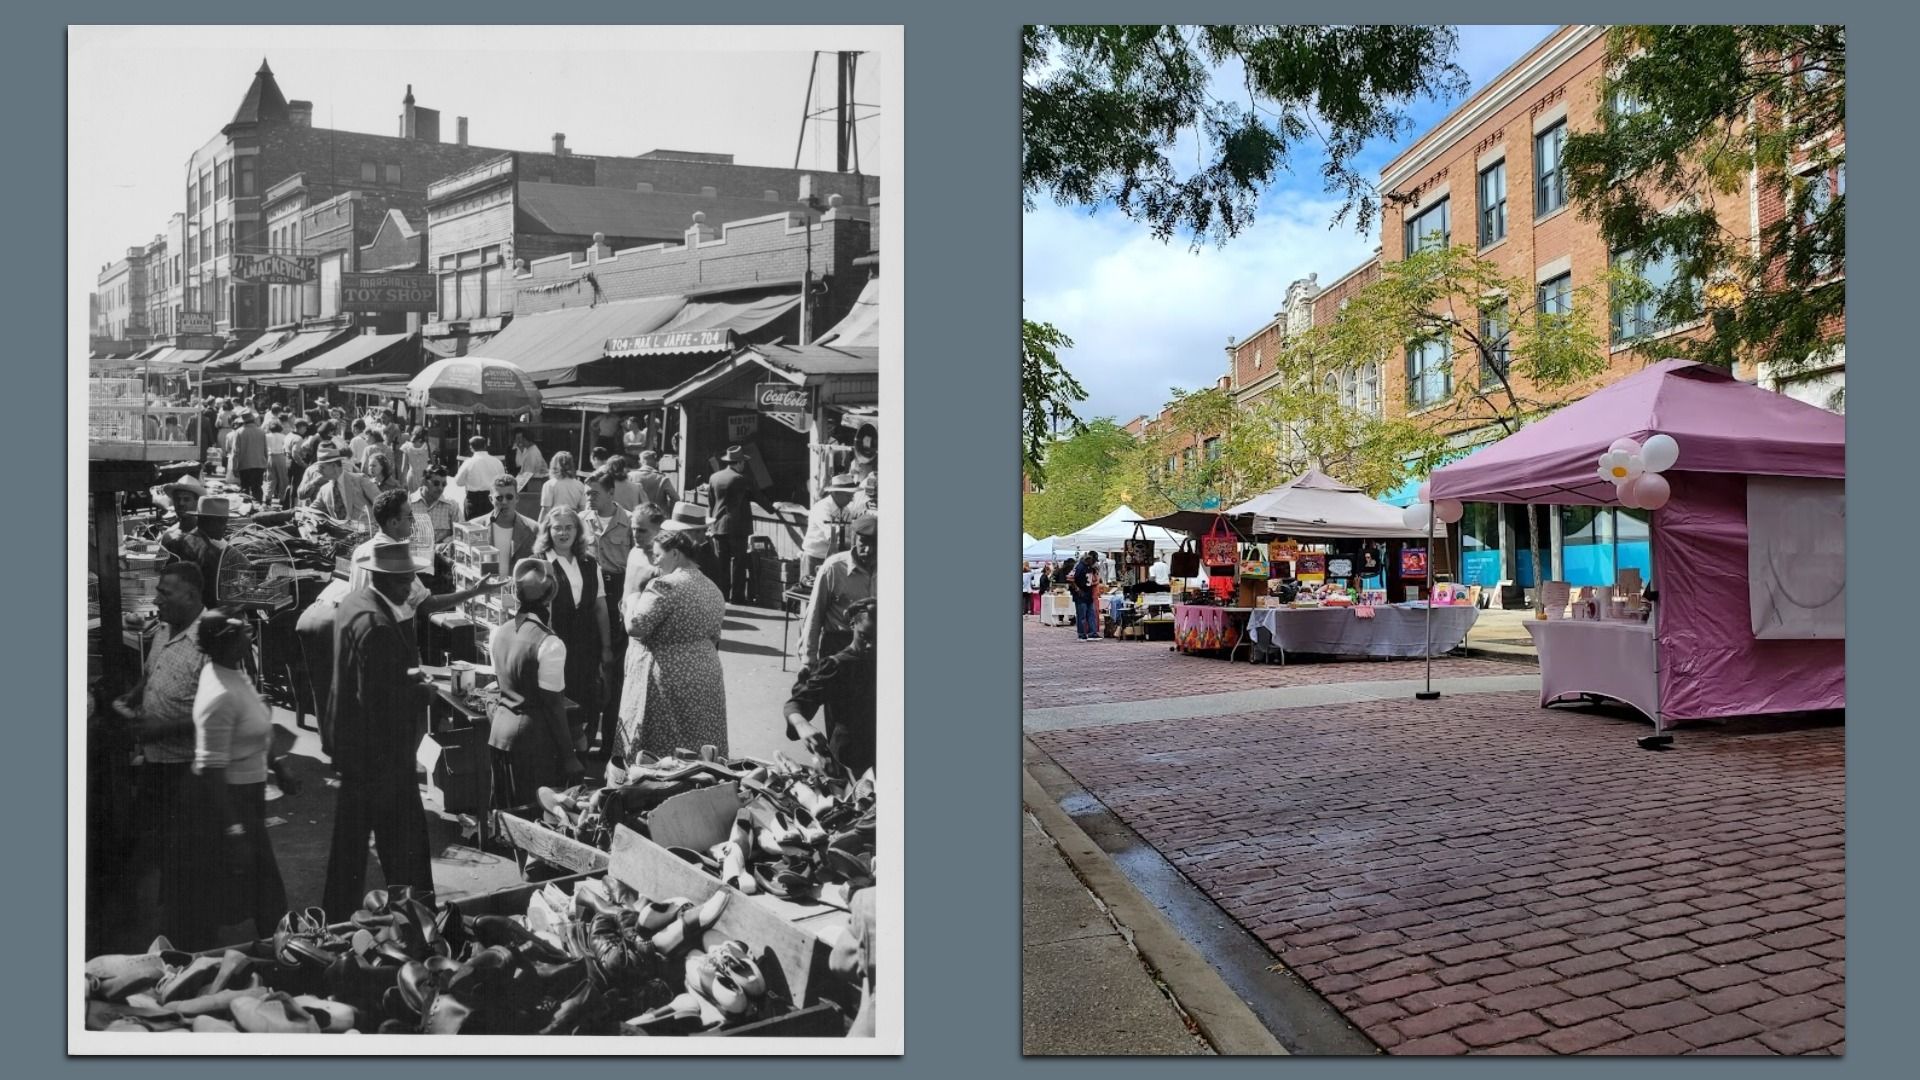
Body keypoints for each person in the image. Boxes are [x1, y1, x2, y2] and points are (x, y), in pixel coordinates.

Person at [324, 540, 437, 914]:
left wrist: (403, 677)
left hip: (353, 748)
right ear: (384, 579)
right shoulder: (379, 628)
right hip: (383, 758)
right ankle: (419, 921)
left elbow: (367, 679)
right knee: (407, 848)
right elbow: (383, 703)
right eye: (405, 579)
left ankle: (335, 920)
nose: (411, 585)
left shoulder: (355, 603)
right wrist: (421, 692)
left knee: (350, 847)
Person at [112, 563, 216, 948]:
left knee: (189, 863)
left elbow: (221, 711)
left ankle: (193, 944)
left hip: (189, 772)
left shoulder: (212, 641)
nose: (156, 599)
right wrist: (137, 693)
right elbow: (152, 671)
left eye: (165, 593)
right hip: (156, 766)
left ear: (191, 596)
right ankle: (163, 927)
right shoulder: (163, 630)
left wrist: (164, 727)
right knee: (149, 851)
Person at [191, 608, 287, 940]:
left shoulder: (234, 672)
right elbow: (210, 769)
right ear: (230, 641)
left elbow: (256, 724)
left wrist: (278, 767)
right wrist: (234, 830)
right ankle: (283, 957)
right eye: (246, 631)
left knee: (254, 884)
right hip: (233, 802)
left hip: (250, 796)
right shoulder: (219, 694)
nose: (252, 635)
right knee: (266, 890)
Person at [615, 517, 729, 770]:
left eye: (658, 555)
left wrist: (632, 596)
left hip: (668, 674)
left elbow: (635, 626)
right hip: (706, 672)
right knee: (701, 742)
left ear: (675, 553)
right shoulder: (711, 587)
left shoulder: (665, 584)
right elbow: (715, 635)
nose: (655, 562)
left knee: (662, 751)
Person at [487, 558, 583, 807]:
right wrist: (569, 757)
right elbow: (553, 706)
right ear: (550, 598)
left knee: (506, 810)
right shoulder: (550, 643)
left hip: (499, 733)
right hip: (534, 741)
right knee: (535, 813)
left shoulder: (498, 632)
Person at [535, 506, 610, 751]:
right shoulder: (540, 564)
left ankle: (581, 755)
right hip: (555, 644)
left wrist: (606, 647)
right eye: (557, 528)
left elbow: (600, 606)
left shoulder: (589, 563)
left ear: (578, 530)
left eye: (569, 527)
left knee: (587, 700)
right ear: (548, 530)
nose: (563, 533)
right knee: (560, 701)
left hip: (586, 645)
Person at [784, 597, 876, 777]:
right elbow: (794, 705)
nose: (871, 645)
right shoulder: (837, 666)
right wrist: (803, 726)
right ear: (852, 625)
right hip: (849, 761)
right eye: (865, 636)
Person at [797, 514, 876, 671]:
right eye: (863, 543)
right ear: (854, 539)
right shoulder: (834, 568)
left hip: (872, 648)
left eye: (875, 544)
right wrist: (808, 660)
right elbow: (814, 615)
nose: (869, 550)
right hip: (838, 645)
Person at [705, 445, 757, 604]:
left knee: (722, 563)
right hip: (737, 527)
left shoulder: (714, 477)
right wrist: (772, 510)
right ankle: (737, 597)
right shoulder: (740, 479)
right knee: (738, 563)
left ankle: (722, 595)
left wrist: (710, 522)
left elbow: (711, 503)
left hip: (718, 525)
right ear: (739, 463)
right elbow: (756, 496)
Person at [470, 474, 539, 564]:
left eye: (509, 497)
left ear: (517, 498)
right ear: (491, 499)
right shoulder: (474, 527)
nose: (504, 502)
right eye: (499, 498)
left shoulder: (533, 529)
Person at [802, 474, 860, 579]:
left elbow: (849, 534)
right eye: (848, 495)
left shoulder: (846, 510)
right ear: (836, 493)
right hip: (815, 558)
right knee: (810, 590)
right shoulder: (822, 508)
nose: (851, 499)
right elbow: (833, 538)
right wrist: (857, 547)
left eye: (852, 495)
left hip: (834, 558)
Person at [453, 435, 506, 518]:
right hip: (492, 499)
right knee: (492, 527)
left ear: (471, 448)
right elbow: (503, 481)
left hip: (473, 500)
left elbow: (458, 482)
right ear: (485, 445)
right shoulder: (497, 462)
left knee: (474, 528)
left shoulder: (468, 462)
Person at [408, 466, 462, 546]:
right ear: (424, 482)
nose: (440, 488)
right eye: (436, 483)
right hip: (416, 554)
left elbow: (461, 534)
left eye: (444, 484)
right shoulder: (409, 504)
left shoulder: (452, 506)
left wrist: (444, 543)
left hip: (441, 555)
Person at [229, 408, 269, 501]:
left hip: (244, 465)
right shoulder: (261, 431)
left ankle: (246, 508)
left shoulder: (239, 432)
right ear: (253, 419)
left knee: (245, 488)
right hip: (259, 464)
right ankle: (258, 508)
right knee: (257, 488)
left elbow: (235, 452)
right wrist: (265, 465)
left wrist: (234, 467)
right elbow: (265, 450)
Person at [539, 450, 589, 522]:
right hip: (573, 522)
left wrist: (538, 529)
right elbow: (583, 509)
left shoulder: (549, 484)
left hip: (555, 522)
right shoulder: (580, 485)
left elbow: (546, 510)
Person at [631, 450, 677, 516]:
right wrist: (669, 513)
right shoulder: (662, 478)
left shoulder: (630, 476)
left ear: (641, 462)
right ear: (656, 463)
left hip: (637, 517)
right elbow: (675, 498)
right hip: (658, 519)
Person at [1070, 552, 1100, 640]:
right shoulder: (1079, 567)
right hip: (1080, 595)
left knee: (1091, 614)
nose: (1094, 562)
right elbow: (1070, 578)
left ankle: (1092, 633)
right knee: (1082, 615)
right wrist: (1077, 589)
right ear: (1089, 559)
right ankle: (1082, 634)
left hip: (1088, 594)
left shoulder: (1090, 567)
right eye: (1094, 560)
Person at [264, 418, 292, 506]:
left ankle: (268, 497)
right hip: (281, 456)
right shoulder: (283, 436)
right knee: (283, 479)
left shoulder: (267, 436)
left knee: (271, 478)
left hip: (270, 456)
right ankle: (282, 498)